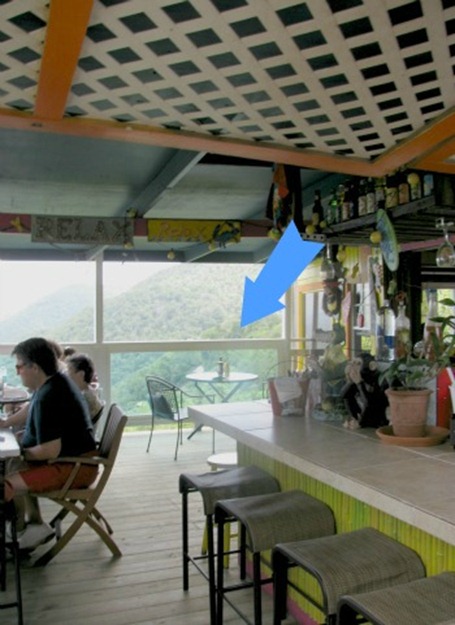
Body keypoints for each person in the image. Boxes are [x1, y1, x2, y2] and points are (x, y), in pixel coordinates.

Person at [5, 337, 98, 551]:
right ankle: (33, 526)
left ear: (35, 367)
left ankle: (18, 533)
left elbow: (49, 450)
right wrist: (6, 424)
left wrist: (20, 452)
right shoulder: (53, 383)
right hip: (73, 462)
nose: (18, 372)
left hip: (74, 468)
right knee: (12, 464)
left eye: (19, 366)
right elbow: (31, 407)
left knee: (8, 480)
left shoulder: (50, 396)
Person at [66, 353, 104, 424]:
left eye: (69, 371)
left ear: (81, 374)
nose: (67, 375)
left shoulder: (85, 399)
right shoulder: (88, 393)